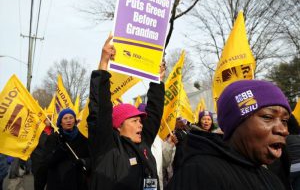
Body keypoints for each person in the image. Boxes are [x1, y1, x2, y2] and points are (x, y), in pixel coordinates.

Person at [167, 79, 291, 190]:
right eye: (268, 117)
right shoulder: (200, 173)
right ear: (235, 123)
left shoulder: (272, 180)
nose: (283, 130)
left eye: (284, 121)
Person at [87, 35, 165, 190]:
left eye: (140, 121)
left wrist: (158, 80)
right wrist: (103, 63)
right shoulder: (107, 149)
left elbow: (155, 111)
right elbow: (100, 109)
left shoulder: (143, 143)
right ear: (118, 126)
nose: (141, 125)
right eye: (134, 121)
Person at [44, 108, 90, 190]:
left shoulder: (83, 137)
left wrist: (84, 162)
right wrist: (61, 149)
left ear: (75, 120)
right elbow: (48, 161)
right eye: (65, 118)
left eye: (71, 118)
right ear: (60, 122)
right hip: (58, 183)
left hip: (78, 182)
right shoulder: (53, 138)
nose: (68, 120)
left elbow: (91, 157)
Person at [31, 116, 53, 190]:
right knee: (39, 185)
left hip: (50, 165)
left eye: (51, 119)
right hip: (38, 164)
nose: (50, 121)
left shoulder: (55, 131)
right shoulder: (36, 131)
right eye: (48, 119)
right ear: (43, 120)